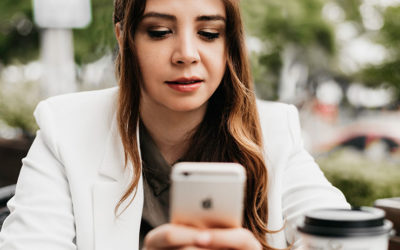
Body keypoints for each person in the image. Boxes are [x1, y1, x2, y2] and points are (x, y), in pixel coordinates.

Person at [0, 0, 350, 249]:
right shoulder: (66, 129)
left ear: (229, 43)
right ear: (124, 38)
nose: (186, 53)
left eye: (209, 33)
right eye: (160, 31)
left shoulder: (273, 130)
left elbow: (346, 239)